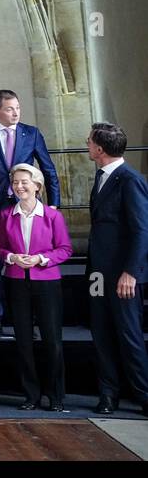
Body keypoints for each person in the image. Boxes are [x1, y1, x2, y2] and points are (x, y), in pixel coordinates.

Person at [0, 89, 61, 337]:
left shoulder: (32, 133)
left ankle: (32, 323)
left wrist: (53, 206)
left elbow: (48, 170)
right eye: (9, 108)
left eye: (17, 107)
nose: (15, 112)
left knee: (29, 260)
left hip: (27, 205)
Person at [0, 163, 71, 411]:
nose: (19, 186)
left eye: (24, 182)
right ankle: (31, 395)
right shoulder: (6, 215)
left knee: (52, 341)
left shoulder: (52, 215)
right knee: (23, 341)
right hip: (16, 282)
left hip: (47, 282)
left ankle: (56, 396)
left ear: (37, 185)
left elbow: (65, 249)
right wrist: (12, 258)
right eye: (15, 182)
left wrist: (40, 259)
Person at [85, 122, 148, 416]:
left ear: (99, 148)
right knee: (101, 333)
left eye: (89, 142)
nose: (87, 145)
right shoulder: (101, 176)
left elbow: (141, 230)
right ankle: (107, 395)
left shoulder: (129, 179)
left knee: (129, 334)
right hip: (97, 273)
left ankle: (144, 395)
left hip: (123, 276)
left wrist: (131, 272)